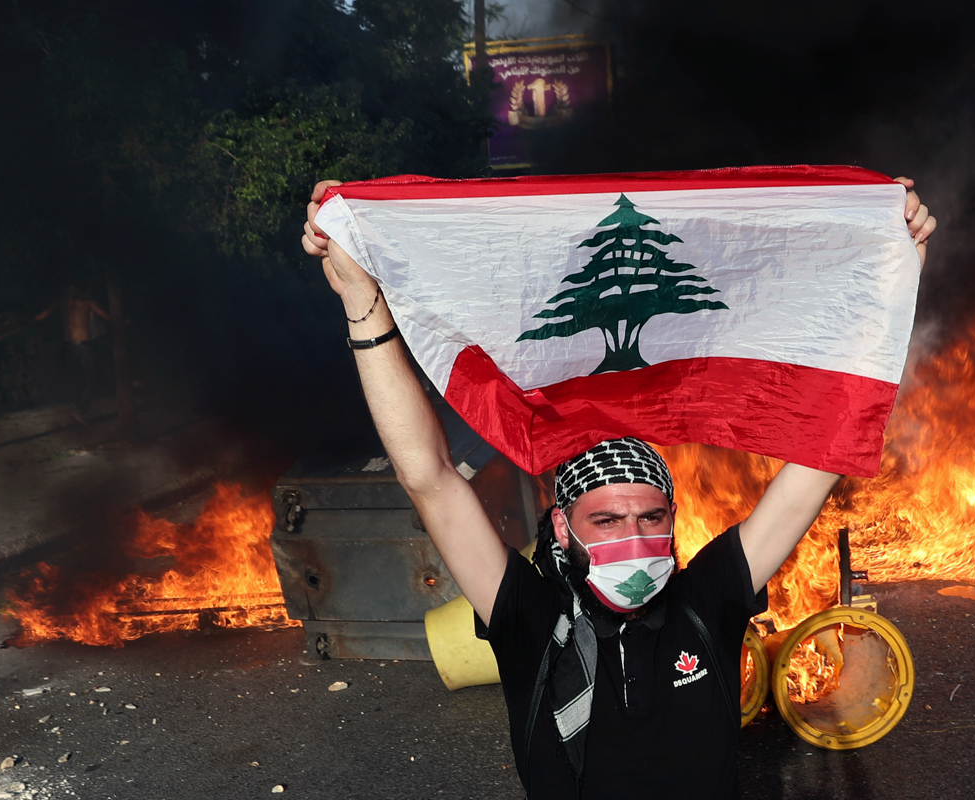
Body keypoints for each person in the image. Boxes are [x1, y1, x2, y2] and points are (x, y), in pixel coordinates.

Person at [301, 176, 935, 798]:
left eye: (649, 518)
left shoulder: (705, 601)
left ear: (672, 518)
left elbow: (818, 460)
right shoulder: (530, 618)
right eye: (606, 521)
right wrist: (365, 307)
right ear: (562, 526)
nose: (633, 538)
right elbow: (430, 479)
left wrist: (887, 283)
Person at [35, 284, 111, 424]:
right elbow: (106, 316)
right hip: (83, 345)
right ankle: (80, 410)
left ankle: (78, 408)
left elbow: (40, 317)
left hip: (68, 345)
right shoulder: (88, 304)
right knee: (90, 377)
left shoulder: (61, 303)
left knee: (77, 377)